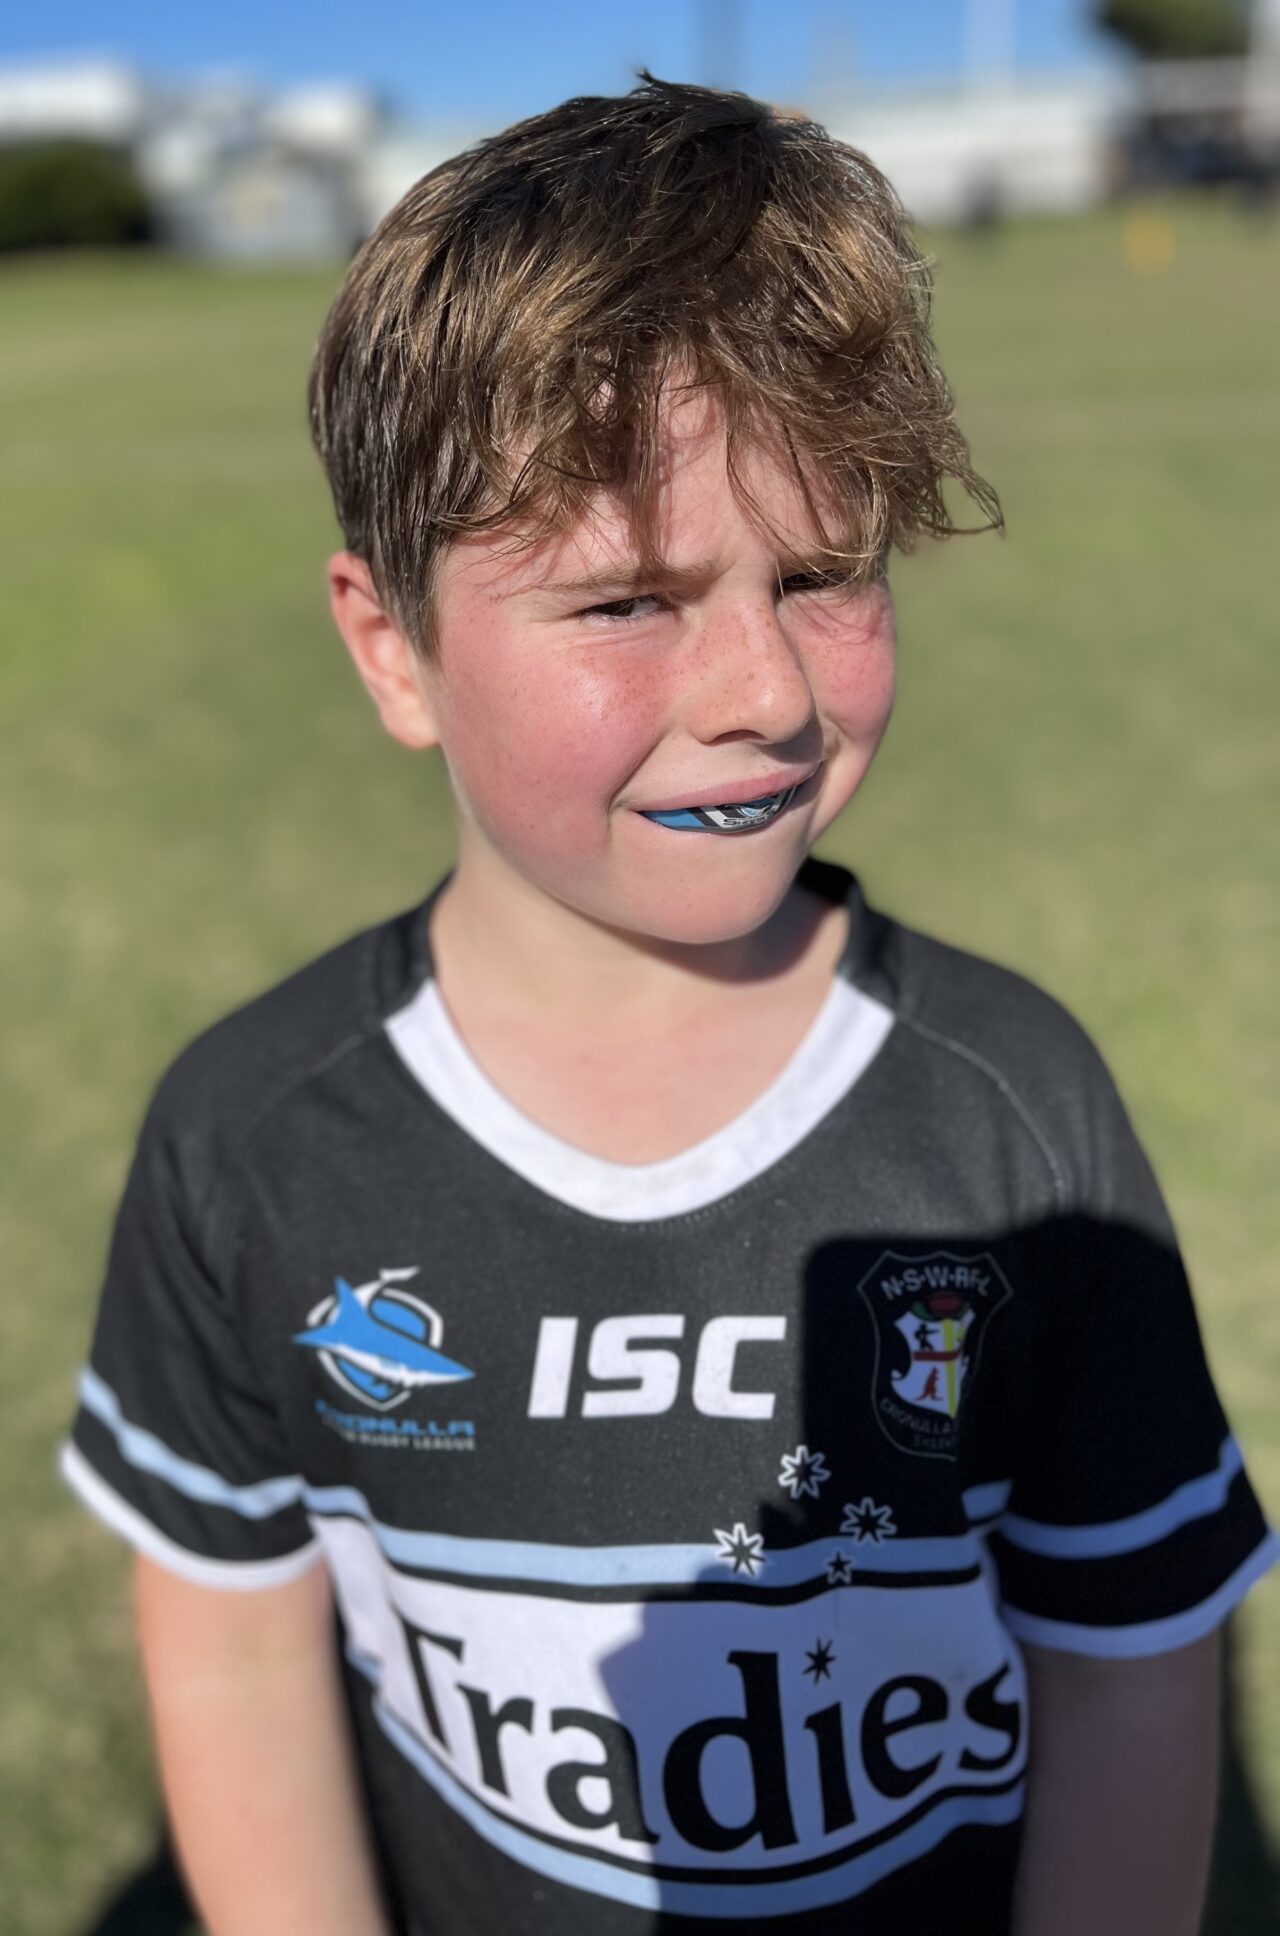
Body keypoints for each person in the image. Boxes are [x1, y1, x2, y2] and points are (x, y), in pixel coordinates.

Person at [62, 75, 1276, 1936]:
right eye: (629, 601)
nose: (765, 692)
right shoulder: (255, 1138)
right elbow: (233, 1647)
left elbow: (1129, 1665)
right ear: (394, 649)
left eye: (823, 575)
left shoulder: (1014, 1114)